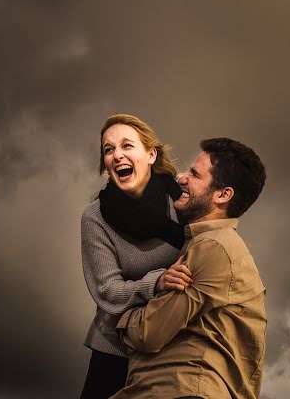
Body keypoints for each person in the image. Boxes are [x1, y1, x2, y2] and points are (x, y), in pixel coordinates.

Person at [111, 137, 268, 399]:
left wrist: (125, 318)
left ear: (223, 195)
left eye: (195, 174)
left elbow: (148, 333)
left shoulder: (214, 248)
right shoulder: (203, 246)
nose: (182, 178)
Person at [79, 114, 193, 399]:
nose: (117, 155)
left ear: (151, 154)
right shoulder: (95, 218)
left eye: (127, 146)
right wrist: (157, 283)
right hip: (117, 348)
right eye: (108, 149)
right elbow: (108, 291)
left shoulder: (180, 199)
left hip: (174, 342)